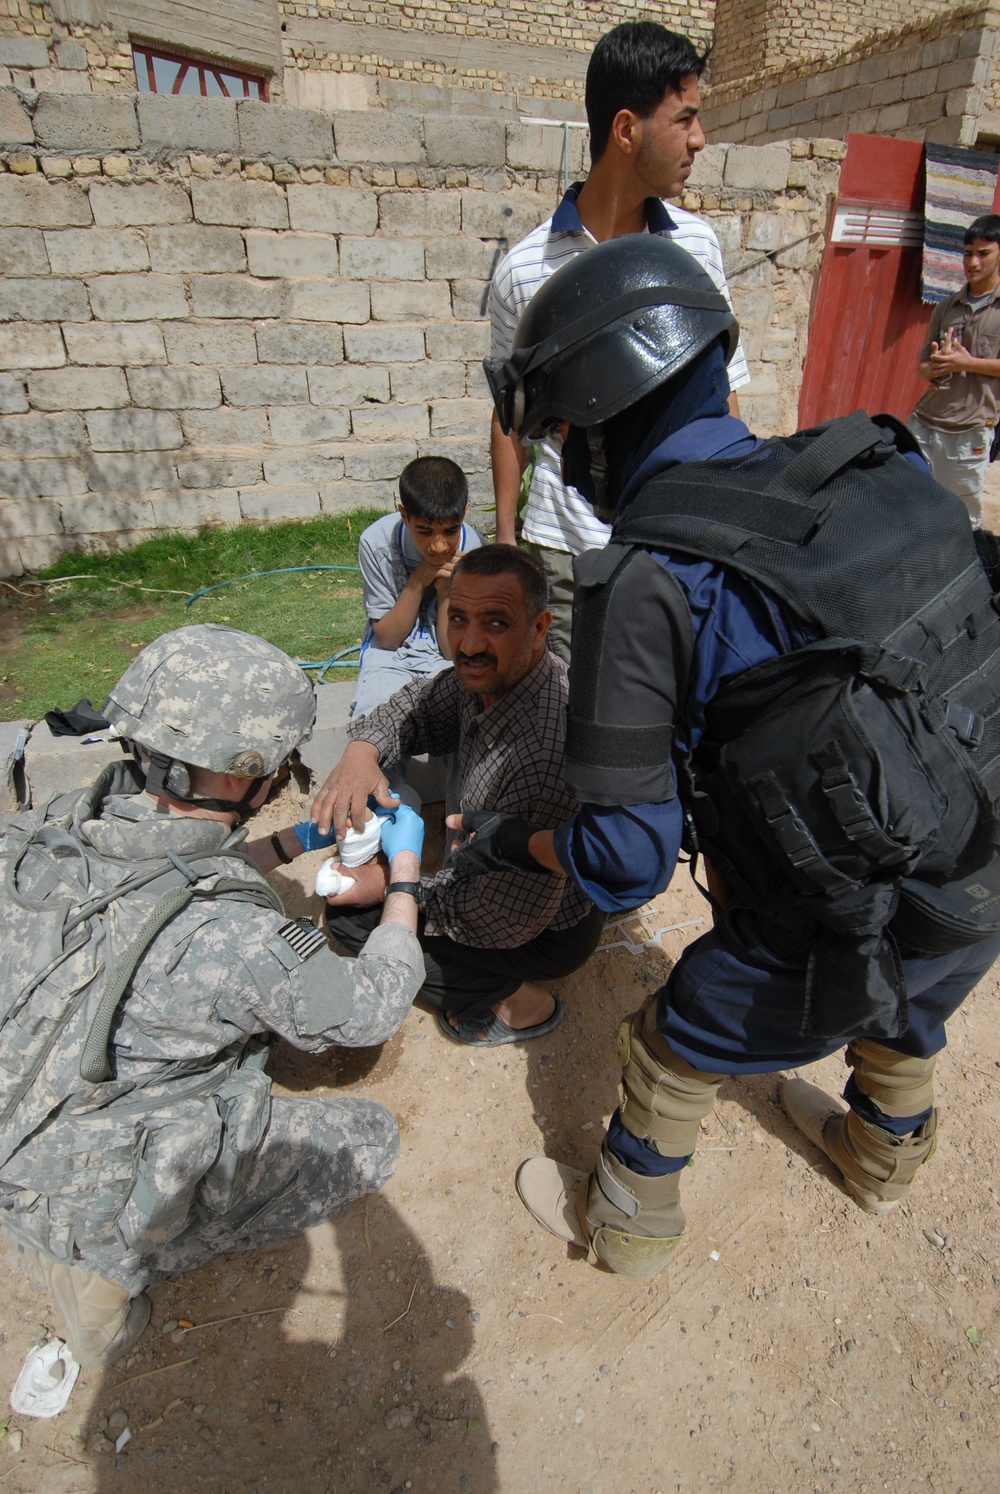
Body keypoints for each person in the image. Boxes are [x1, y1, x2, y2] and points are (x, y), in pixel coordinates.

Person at [471, 234, 1000, 1277]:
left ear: (588, 436)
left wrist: (513, 841)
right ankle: (878, 1163)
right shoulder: (872, 461)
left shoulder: (643, 578)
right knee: (910, 1008)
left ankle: (624, 1226)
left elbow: (625, 861)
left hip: (830, 939)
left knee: (671, 1045)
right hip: (978, 879)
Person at [0, 623, 426, 1367]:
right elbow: (373, 1006)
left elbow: (171, 865)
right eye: (281, 763)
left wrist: (297, 839)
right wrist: (408, 876)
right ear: (238, 774)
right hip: (91, 1188)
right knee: (370, 1140)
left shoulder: (46, 833)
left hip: (20, 1119)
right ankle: (105, 1273)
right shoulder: (234, 943)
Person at [486, 20, 751, 661]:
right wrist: (504, 547)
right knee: (571, 724)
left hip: (675, 543)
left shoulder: (694, 248)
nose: (700, 139)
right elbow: (509, 417)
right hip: (567, 552)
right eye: (684, 119)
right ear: (627, 130)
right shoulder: (526, 268)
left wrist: (729, 518)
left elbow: (725, 391)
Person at [311, 546, 605, 1046]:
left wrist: (395, 884)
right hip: (503, 893)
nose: (468, 643)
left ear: (538, 628)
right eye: (459, 618)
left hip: (543, 929)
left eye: (495, 622)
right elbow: (418, 706)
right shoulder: (494, 675)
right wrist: (361, 752)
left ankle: (519, 1001)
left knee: (352, 922)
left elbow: (501, 921)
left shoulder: (540, 759)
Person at [352, 454, 482, 719]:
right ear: (404, 515)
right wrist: (418, 580)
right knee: (374, 724)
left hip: (448, 659)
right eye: (424, 531)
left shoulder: (474, 549)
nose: (439, 546)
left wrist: (447, 591)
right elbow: (388, 639)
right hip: (390, 658)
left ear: (465, 511)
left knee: (466, 719)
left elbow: (451, 651)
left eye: (450, 531)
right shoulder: (375, 543)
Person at [909, 214, 1000, 529]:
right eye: (967, 253)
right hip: (924, 423)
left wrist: (967, 363)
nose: (973, 262)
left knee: (959, 518)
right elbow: (921, 367)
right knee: (907, 501)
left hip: (968, 430)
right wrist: (936, 365)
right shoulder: (946, 306)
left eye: (983, 253)